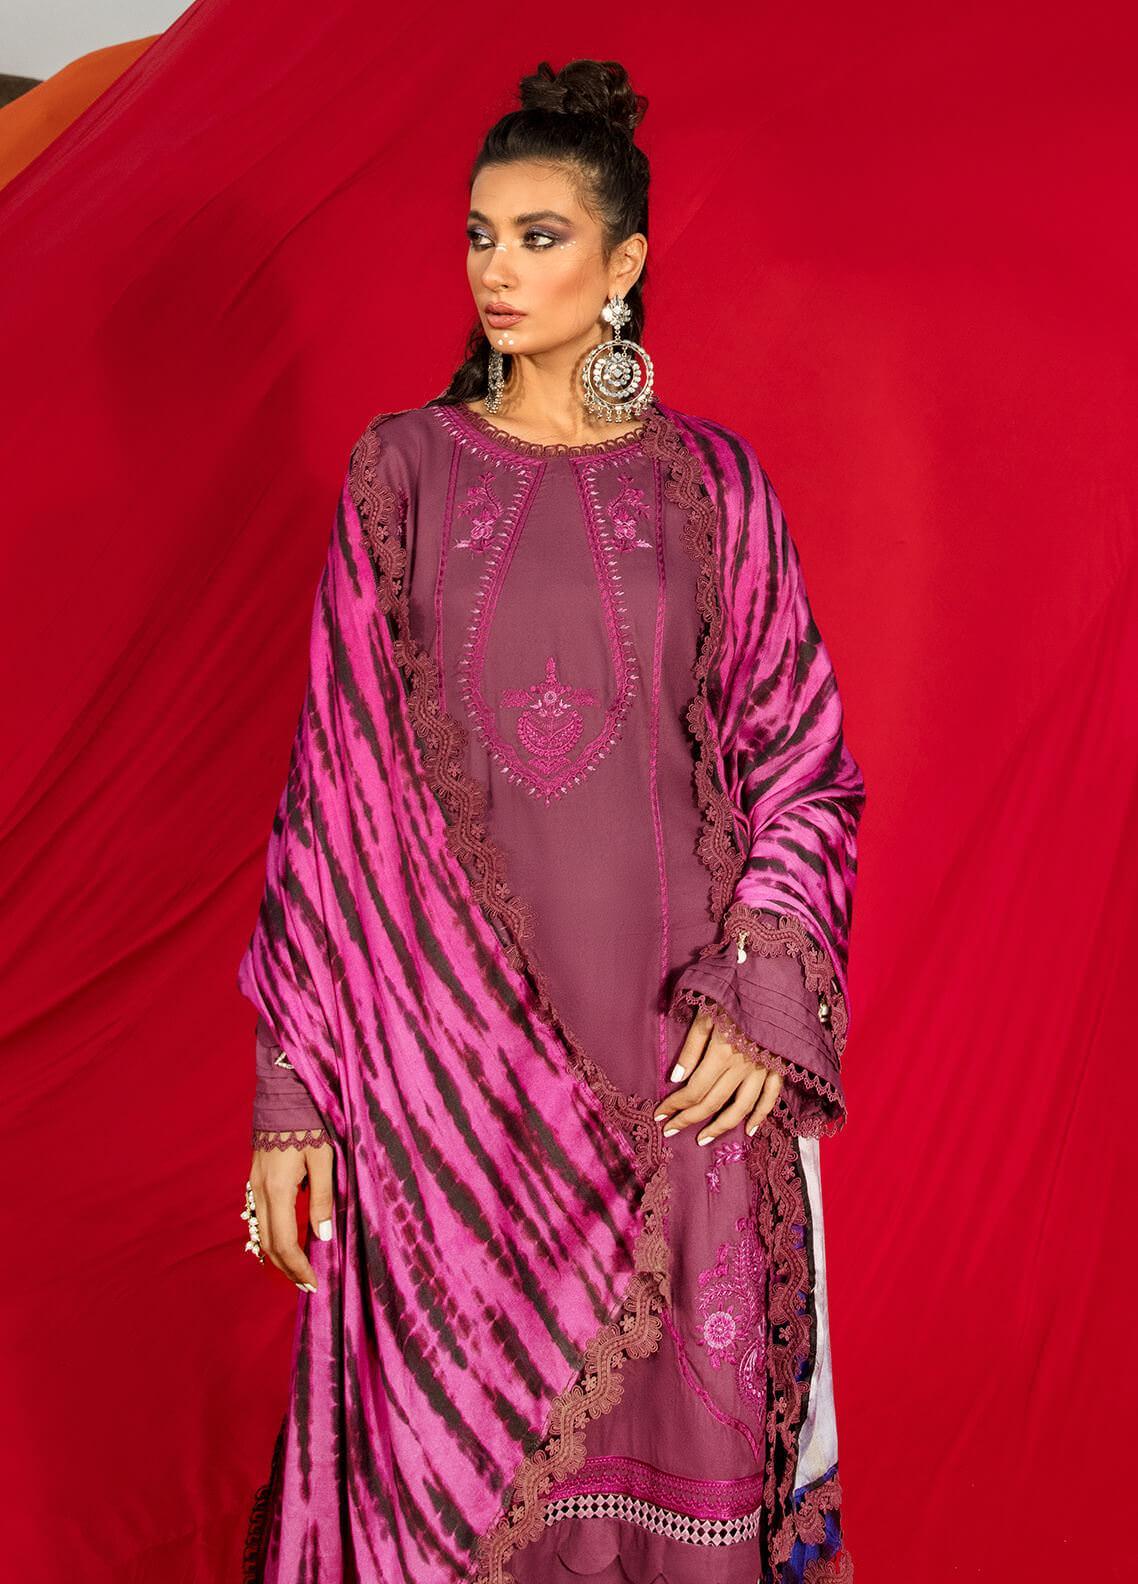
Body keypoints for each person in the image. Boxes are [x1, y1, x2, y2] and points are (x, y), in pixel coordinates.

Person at [238, 56, 864, 1584]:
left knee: (680, 1454)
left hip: (675, 1059)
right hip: (449, 1080)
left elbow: (799, 750)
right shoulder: (401, 473)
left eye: (538, 237)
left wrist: (759, 995)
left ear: (623, 263)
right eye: (478, 236)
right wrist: (292, 1098)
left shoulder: (711, 485)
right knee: (452, 1475)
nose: (497, 270)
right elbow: (336, 792)